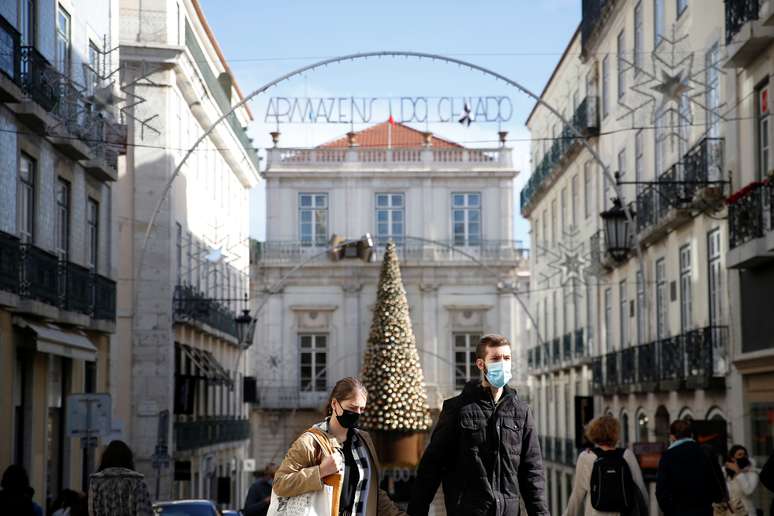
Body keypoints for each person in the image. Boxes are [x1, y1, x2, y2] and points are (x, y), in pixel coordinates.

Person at [407, 334, 548, 516]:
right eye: (496, 359)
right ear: (481, 364)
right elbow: (431, 468)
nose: (503, 364)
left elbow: (532, 472)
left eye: (507, 358)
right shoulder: (457, 408)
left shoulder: (521, 411)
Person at [272, 377, 406, 516]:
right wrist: (320, 471)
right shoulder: (311, 441)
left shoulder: (364, 441)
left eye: (362, 409)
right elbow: (280, 484)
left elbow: (373, 492)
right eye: (352, 408)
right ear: (335, 404)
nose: (357, 413)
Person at [563, 415, 648, 516]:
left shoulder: (586, 457)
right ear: (615, 433)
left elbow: (577, 495)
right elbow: (641, 490)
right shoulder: (627, 455)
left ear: (593, 433)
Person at [656, 420, 726, 516]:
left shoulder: (668, 456)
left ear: (672, 436)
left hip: (677, 511)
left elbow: (661, 490)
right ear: (691, 435)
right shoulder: (705, 453)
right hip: (704, 510)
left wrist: (669, 510)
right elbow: (716, 484)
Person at [88, 440, 153, 516]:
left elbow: (92, 511)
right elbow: (143, 512)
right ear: (129, 459)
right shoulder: (137, 482)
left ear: (105, 459)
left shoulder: (96, 482)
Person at [725, 444, 760, 515]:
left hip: (747, 512)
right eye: (740, 455)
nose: (743, 457)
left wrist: (738, 472)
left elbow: (748, 491)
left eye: (744, 454)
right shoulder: (728, 475)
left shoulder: (752, 474)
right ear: (733, 458)